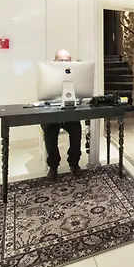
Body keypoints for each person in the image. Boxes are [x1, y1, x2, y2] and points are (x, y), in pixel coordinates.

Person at [41, 49, 82, 180]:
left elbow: (82, 91)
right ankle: (53, 166)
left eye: (67, 60)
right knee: (50, 131)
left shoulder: (76, 74)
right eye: (61, 60)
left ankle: (74, 163)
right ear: (55, 61)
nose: (64, 62)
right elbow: (43, 94)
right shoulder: (47, 73)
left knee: (76, 130)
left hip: (69, 110)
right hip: (52, 111)